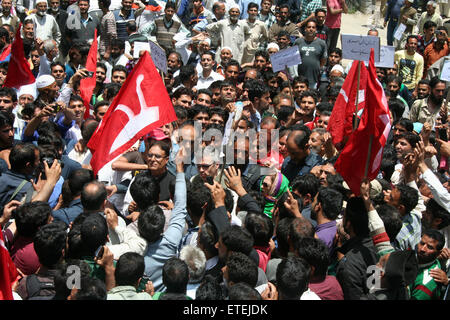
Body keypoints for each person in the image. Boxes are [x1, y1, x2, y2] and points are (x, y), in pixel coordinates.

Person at [294, 19, 327, 90]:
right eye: (309, 27)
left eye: (313, 27)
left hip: (313, 79)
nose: (311, 29)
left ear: (316, 29)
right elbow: (293, 59)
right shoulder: (298, 42)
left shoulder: (321, 43)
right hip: (299, 79)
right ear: (305, 29)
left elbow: (323, 60)